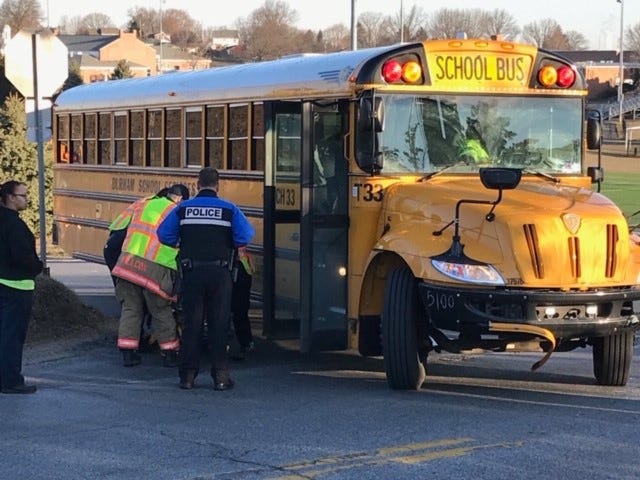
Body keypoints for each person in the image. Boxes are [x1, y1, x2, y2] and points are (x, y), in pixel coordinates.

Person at [158, 167, 254, 391]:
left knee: (192, 325)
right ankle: (220, 378)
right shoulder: (229, 209)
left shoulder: (182, 209)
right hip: (220, 275)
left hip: (191, 273)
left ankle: (187, 378)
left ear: (197, 184)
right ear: (217, 185)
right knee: (218, 324)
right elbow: (245, 236)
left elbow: (164, 235)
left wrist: (184, 243)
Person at [111, 184, 189, 368]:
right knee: (160, 310)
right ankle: (169, 353)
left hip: (127, 264)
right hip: (156, 268)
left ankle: (128, 354)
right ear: (179, 199)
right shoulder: (176, 210)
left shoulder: (142, 203)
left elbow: (115, 226)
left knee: (131, 309)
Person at [0, 181, 43, 394]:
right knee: (12, 336)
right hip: (16, 286)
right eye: (23, 195)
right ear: (10, 197)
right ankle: (11, 380)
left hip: (4, 283)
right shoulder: (14, 225)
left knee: (4, 333)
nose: (27, 199)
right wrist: (37, 267)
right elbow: (22, 256)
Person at [229, 246, 254, 360]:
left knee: (239, 310)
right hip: (235, 266)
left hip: (238, 268)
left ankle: (245, 342)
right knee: (239, 311)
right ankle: (245, 342)